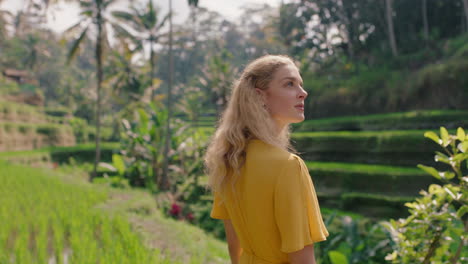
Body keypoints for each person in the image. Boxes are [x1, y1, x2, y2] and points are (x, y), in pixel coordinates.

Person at [204, 55, 328, 264]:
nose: (303, 93)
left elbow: (234, 243)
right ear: (260, 96)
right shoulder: (288, 166)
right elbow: (302, 258)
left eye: (300, 84)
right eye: (289, 84)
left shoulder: (230, 159)